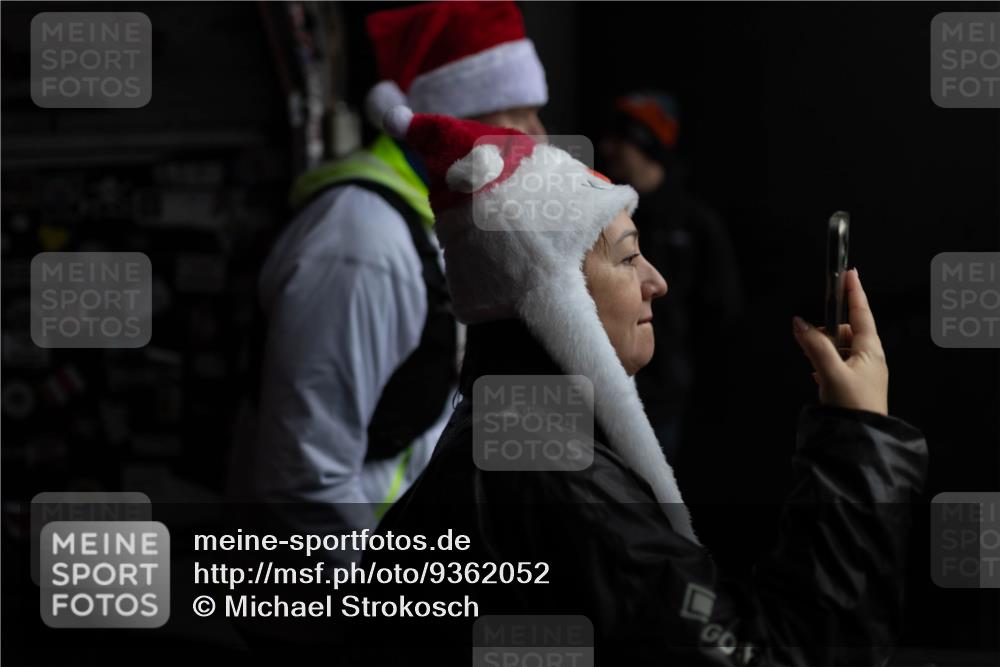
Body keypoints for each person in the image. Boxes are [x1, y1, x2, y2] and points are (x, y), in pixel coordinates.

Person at [345, 107, 928, 666]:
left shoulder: (509, 435)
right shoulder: (557, 481)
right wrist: (858, 437)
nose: (657, 281)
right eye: (627, 258)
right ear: (555, 299)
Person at [226, 1, 548, 544]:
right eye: (516, 114)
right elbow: (303, 481)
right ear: (452, 124)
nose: (538, 138)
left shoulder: (436, 227)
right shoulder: (361, 246)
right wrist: (377, 603)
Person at [600, 90, 744, 462]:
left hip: (667, 395)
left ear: (644, 143)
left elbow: (721, 308)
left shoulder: (695, 222)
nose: (608, 147)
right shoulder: (601, 212)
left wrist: (681, 361)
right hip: (607, 390)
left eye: (621, 139)